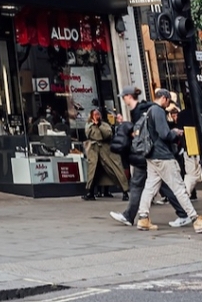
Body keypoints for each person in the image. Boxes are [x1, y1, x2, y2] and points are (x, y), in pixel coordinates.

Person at [113, 87, 190, 226]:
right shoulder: (152, 109)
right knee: (161, 186)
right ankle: (187, 215)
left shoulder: (147, 109)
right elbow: (161, 132)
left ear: (128, 96)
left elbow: (157, 132)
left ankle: (138, 216)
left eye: (124, 97)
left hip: (150, 154)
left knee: (149, 186)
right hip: (154, 154)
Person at [133, 88, 202, 232]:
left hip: (152, 156)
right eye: (169, 100)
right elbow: (165, 134)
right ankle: (195, 219)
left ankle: (143, 218)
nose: (169, 104)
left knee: (150, 187)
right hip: (163, 156)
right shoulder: (158, 111)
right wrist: (175, 133)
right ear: (163, 98)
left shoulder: (149, 111)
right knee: (179, 188)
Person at [83, 106, 128, 199]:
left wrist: (99, 125)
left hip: (106, 150)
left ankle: (125, 191)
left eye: (97, 114)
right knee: (93, 172)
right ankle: (90, 192)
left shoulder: (104, 125)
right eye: (94, 115)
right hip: (94, 151)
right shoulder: (89, 125)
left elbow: (108, 134)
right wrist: (94, 125)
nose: (96, 116)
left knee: (115, 170)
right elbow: (88, 134)